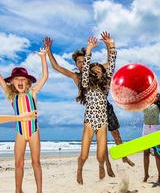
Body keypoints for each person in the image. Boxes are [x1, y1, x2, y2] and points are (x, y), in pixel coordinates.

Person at [43, 36, 135, 172]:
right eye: (78, 62)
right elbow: (56, 67)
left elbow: (110, 63)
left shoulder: (94, 68)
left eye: (83, 60)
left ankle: (124, 156)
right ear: (75, 64)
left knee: (116, 133)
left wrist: (109, 46)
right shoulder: (76, 76)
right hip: (92, 110)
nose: (81, 63)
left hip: (105, 106)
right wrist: (49, 51)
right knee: (101, 140)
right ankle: (107, 165)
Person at [0, 48, 48, 193]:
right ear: (11, 82)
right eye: (16, 79)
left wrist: (43, 58)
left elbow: (45, 77)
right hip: (20, 131)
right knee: (18, 164)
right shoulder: (12, 96)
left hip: (33, 131)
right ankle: (18, 191)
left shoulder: (33, 92)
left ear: (28, 82)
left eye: (23, 79)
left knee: (36, 163)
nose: (20, 81)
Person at [75, 32, 117, 184]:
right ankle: (79, 169)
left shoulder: (105, 87)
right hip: (89, 122)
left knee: (101, 155)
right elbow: (85, 67)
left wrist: (111, 45)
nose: (98, 70)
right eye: (96, 69)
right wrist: (89, 49)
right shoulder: (86, 84)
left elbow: (111, 64)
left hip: (103, 122)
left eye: (101, 69)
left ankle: (101, 165)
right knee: (84, 155)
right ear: (92, 73)